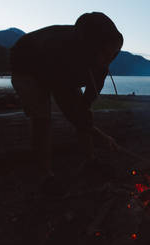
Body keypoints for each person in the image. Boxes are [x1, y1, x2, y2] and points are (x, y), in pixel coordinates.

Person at [10, 12, 123, 190]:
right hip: (26, 64)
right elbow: (70, 107)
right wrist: (98, 134)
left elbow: (86, 103)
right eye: (106, 53)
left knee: (83, 114)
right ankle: (44, 176)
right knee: (42, 119)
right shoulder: (60, 52)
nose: (110, 57)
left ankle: (90, 161)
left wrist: (86, 115)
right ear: (91, 47)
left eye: (114, 53)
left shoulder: (103, 56)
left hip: (63, 70)